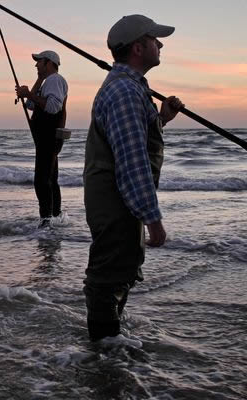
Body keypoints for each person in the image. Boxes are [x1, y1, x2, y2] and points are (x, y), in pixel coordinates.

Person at [83, 15, 184, 342]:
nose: (161, 44)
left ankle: (106, 351)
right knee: (109, 280)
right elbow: (132, 162)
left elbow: (129, 141)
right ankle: (103, 360)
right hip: (117, 203)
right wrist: (152, 219)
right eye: (155, 40)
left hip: (117, 201)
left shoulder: (126, 88)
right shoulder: (125, 91)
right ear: (138, 48)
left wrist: (160, 120)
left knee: (116, 275)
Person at [15, 50, 68, 227]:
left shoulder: (55, 80)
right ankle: (55, 217)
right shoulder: (47, 81)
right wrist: (31, 89)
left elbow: (52, 107)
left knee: (42, 180)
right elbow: (32, 105)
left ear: (49, 63)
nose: (36, 65)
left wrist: (29, 94)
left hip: (49, 137)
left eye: (39, 62)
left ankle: (46, 220)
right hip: (47, 138)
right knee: (51, 179)